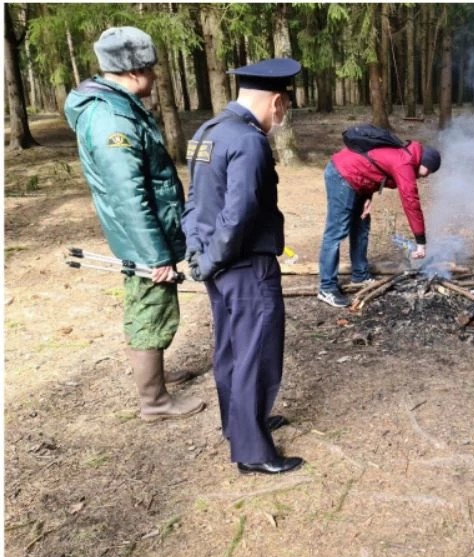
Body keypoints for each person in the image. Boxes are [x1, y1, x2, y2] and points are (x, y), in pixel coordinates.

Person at [64, 26, 205, 421]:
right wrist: (154, 255)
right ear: (133, 71)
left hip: (147, 232)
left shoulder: (116, 106)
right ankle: (154, 401)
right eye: (151, 69)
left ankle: (155, 376)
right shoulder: (112, 119)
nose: (155, 77)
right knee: (151, 308)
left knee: (152, 307)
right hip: (143, 238)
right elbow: (128, 195)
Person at [181, 58, 303, 475]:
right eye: (284, 105)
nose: (282, 115)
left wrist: (199, 256)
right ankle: (252, 451)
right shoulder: (249, 141)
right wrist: (213, 257)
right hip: (246, 265)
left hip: (219, 265)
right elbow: (239, 215)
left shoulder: (208, 132)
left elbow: (194, 202)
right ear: (276, 102)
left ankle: (240, 424)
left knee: (232, 350)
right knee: (257, 353)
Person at [317, 137, 442, 307]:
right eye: (429, 171)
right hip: (342, 175)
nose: (426, 176)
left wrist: (367, 195)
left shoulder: (407, 155)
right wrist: (421, 242)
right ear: (426, 163)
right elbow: (411, 202)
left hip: (358, 180)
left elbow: (373, 166)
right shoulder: (405, 163)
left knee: (361, 226)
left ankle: (360, 275)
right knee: (336, 231)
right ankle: (327, 287)